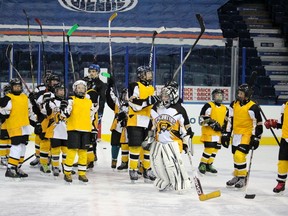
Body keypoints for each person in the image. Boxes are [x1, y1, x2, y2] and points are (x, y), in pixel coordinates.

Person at [148, 81, 194, 192]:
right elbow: (152, 126)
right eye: (162, 95)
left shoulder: (179, 109)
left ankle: (181, 182)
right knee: (158, 165)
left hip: (173, 143)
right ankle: (166, 181)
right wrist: (149, 138)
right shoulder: (156, 108)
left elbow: (186, 128)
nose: (163, 98)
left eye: (166, 96)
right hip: (159, 143)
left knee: (172, 164)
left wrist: (186, 141)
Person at [222, 84, 263, 188]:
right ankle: (237, 175)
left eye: (241, 93)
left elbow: (257, 123)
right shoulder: (234, 104)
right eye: (238, 93)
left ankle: (243, 177)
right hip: (236, 135)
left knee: (239, 155)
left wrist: (256, 137)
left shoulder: (252, 107)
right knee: (235, 157)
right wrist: (226, 133)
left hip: (247, 134)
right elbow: (229, 120)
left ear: (247, 95)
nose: (239, 95)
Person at [126, 66, 158, 182]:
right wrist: (148, 101)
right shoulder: (133, 86)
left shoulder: (152, 88)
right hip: (135, 121)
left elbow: (154, 107)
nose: (150, 75)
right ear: (141, 75)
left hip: (148, 121)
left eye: (150, 73)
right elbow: (134, 104)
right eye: (147, 73)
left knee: (147, 147)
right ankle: (133, 169)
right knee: (135, 146)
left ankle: (147, 169)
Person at [62, 80, 97, 183]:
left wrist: (93, 130)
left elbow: (91, 117)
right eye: (79, 88)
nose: (81, 90)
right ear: (75, 89)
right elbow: (65, 114)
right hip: (74, 129)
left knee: (83, 152)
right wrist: (64, 108)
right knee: (72, 152)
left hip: (86, 130)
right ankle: (67, 173)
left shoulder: (89, 102)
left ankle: (82, 173)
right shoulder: (71, 100)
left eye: (83, 88)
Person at [0, 78, 33, 178]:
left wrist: (36, 124)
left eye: (19, 86)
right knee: (16, 146)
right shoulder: (9, 98)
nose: (17, 88)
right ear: (11, 88)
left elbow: (29, 111)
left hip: (25, 126)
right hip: (14, 126)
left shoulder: (25, 97)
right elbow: (3, 111)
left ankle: (17, 166)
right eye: (15, 87)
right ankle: (10, 168)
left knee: (23, 146)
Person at [198, 89, 228, 175]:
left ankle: (209, 164)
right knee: (209, 148)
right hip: (209, 132)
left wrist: (225, 131)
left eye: (220, 95)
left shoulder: (225, 108)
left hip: (219, 133)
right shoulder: (208, 105)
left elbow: (226, 121)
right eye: (217, 95)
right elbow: (202, 119)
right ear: (213, 96)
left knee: (215, 149)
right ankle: (202, 164)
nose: (219, 97)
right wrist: (212, 124)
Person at [42, 83, 68, 177]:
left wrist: (65, 108)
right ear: (56, 91)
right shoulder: (51, 102)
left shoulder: (68, 101)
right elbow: (47, 114)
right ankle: (55, 166)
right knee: (55, 150)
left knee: (66, 150)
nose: (62, 92)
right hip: (55, 130)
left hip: (66, 130)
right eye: (59, 90)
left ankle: (65, 166)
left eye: (63, 90)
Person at [85, 64, 107, 160]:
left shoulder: (101, 84)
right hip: (83, 110)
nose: (91, 73)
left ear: (98, 72)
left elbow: (102, 99)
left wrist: (100, 112)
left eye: (94, 71)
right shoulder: (85, 81)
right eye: (90, 71)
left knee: (93, 133)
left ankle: (93, 154)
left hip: (94, 112)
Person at [264, 104, 288, 193]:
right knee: (282, 162)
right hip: (285, 139)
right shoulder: (285, 106)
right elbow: (283, 123)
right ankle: (281, 183)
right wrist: (274, 124)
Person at [106, 77, 129, 169]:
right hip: (117, 126)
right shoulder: (118, 103)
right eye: (125, 95)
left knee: (127, 145)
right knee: (115, 144)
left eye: (128, 95)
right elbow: (109, 98)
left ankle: (125, 161)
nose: (126, 97)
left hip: (129, 128)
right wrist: (109, 86)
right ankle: (114, 160)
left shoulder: (134, 104)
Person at [0, 84, 11, 167]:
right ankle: (3, 157)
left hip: (12, 125)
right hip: (4, 125)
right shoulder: (2, 100)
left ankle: (7, 156)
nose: (8, 93)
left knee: (10, 142)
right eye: (7, 91)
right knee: (3, 141)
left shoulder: (15, 100)